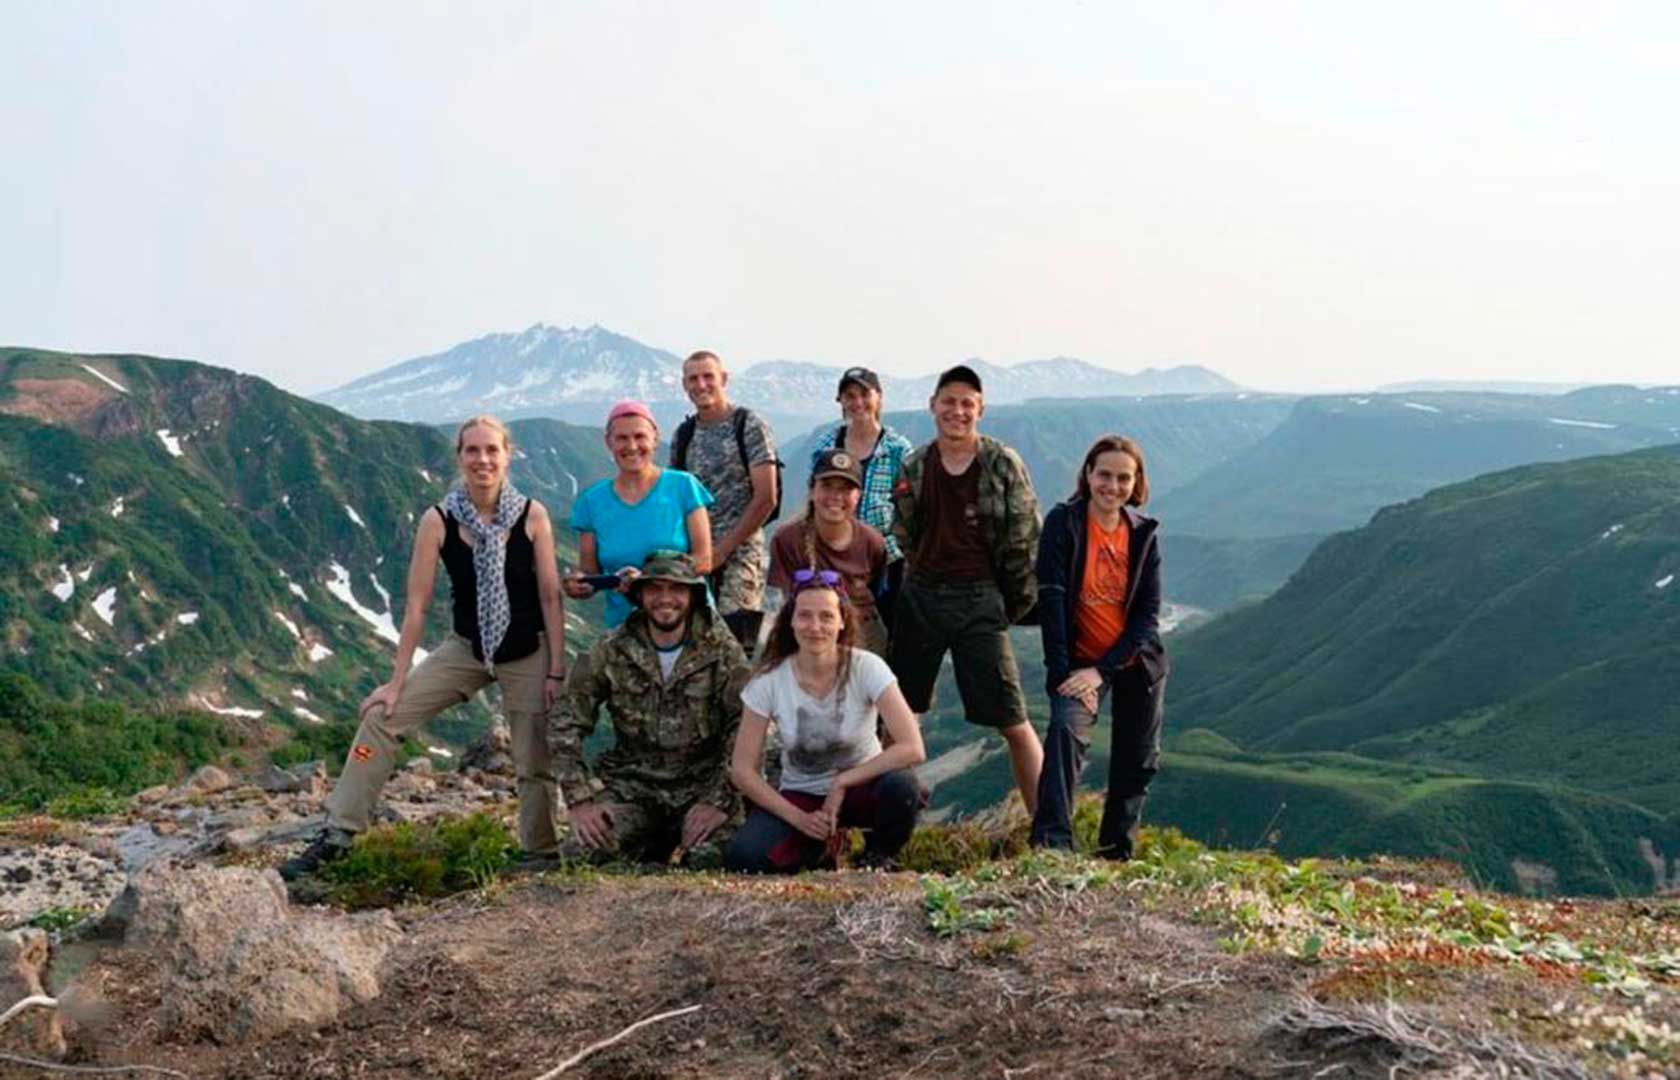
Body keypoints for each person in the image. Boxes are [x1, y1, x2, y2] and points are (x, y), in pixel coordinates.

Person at [281, 415, 565, 880]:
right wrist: (396, 683)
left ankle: (540, 852)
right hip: (467, 647)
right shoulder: (439, 520)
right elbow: (415, 606)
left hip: (526, 649)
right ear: (459, 457)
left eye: (492, 450)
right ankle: (340, 834)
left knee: (533, 758)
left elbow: (550, 596)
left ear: (508, 455)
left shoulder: (533, 515)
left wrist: (555, 669)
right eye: (472, 451)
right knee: (381, 720)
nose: (483, 460)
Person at [889, 364, 1045, 811]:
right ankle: (884, 828)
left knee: (1014, 721)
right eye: (948, 402)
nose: (956, 411)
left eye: (966, 404)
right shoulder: (916, 464)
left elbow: (1024, 539)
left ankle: (1048, 830)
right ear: (933, 406)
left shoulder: (1001, 463)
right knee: (898, 717)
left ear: (980, 410)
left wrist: (1007, 605)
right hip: (920, 597)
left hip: (980, 599)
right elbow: (902, 532)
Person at [549, 551, 750, 867]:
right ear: (640, 595)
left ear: (692, 596)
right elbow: (565, 720)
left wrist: (719, 800)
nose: (665, 599)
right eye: (655, 589)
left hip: (701, 789)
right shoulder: (611, 648)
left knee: (715, 860)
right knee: (580, 854)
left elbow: (747, 725)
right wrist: (580, 800)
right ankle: (644, 849)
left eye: (677, 589)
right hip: (633, 789)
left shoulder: (722, 650)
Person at [725, 573, 925, 872]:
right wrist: (799, 819)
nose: (815, 627)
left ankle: (879, 855)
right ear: (790, 621)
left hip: (863, 788)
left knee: (902, 787)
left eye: (826, 617)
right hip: (802, 794)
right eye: (804, 616)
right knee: (745, 858)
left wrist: (843, 782)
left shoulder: (867, 667)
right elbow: (742, 771)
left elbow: (912, 748)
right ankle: (818, 846)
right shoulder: (769, 681)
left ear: (842, 621)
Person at [1030, 436, 1167, 859]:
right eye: (1104, 474)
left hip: (1134, 663)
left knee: (1137, 760)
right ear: (1088, 475)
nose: (1113, 485)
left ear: (1136, 482)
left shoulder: (1143, 534)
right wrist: (1063, 675)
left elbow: (1147, 615)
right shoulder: (1064, 523)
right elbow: (1050, 599)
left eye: (1124, 477)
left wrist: (1103, 671)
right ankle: (1053, 847)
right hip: (1077, 662)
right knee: (1065, 737)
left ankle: (1115, 855)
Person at [566, 400, 713, 628]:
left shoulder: (684, 487)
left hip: (688, 624)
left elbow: (704, 561)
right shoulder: (591, 502)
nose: (632, 446)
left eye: (640, 436)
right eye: (622, 438)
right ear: (608, 442)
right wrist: (580, 585)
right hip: (625, 630)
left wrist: (646, 580)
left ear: (655, 438)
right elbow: (590, 573)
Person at [670, 350, 779, 655]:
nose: (701, 385)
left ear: (724, 379)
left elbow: (765, 498)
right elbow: (678, 496)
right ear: (684, 385)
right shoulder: (684, 434)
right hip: (695, 555)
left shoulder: (748, 424)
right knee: (692, 645)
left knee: (733, 648)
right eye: (693, 378)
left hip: (741, 554)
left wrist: (722, 550)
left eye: (708, 376)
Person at [807, 367, 913, 630]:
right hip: (833, 557)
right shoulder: (826, 445)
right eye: (849, 396)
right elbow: (814, 499)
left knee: (887, 638)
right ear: (841, 401)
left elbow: (909, 511)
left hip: (886, 563)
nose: (857, 403)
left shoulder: (899, 450)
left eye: (864, 394)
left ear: (878, 397)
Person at [768, 448, 890, 656]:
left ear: (858, 496)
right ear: (812, 490)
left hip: (863, 642)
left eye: (846, 489)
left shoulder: (872, 542)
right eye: (827, 486)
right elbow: (778, 604)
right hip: (808, 638)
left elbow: (882, 596)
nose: (836, 497)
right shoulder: (788, 541)